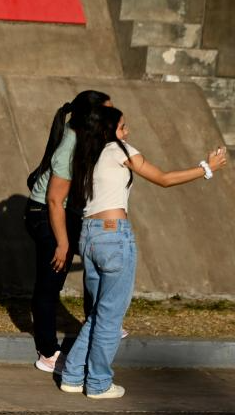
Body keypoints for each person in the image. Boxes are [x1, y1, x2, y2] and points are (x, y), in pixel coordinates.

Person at [59, 107, 226, 398]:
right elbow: (163, 178)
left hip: (89, 236)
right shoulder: (118, 149)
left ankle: (73, 375)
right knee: (110, 317)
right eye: (123, 126)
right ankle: (97, 383)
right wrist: (206, 168)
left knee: (99, 313)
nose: (128, 131)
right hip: (113, 235)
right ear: (110, 130)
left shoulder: (86, 156)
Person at [24, 90, 111, 373]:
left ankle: (101, 321)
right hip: (44, 214)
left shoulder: (87, 139)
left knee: (96, 258)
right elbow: (52, 201)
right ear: (91, 117)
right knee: (50, 283)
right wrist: (62, 243)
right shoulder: (69, 146)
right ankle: (47, 352)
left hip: (63, 212)